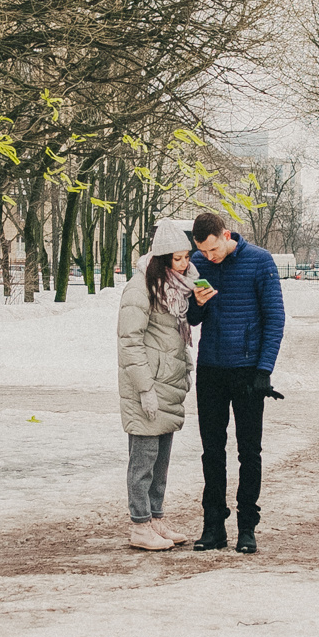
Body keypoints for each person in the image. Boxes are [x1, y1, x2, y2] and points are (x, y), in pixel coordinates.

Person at [187, 210, 285, 554]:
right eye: (203, 251)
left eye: (214, 249)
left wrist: (264, 371)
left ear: (226, 236)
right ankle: (213, 525)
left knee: (249, 452)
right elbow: (193, 319)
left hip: (246, 371)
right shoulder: (198, 263)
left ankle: (247, 527)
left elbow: (275, 318)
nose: (209, 257)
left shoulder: (260, 262)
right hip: (210, 368)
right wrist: (195, 305)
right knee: (212, 452)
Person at [116, 221, 198, 551]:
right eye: (179, 258)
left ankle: (156, 518)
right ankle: (139, 525)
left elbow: (176, 336)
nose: (186, 264)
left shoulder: (177, 287)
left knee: (161, 461)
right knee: (143, 462)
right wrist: (144, 388)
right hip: (148, 386)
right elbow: (130, 342)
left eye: (187, 256)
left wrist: (184, 368)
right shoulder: (140, 289)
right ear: (163, 259)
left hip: (169, 383)